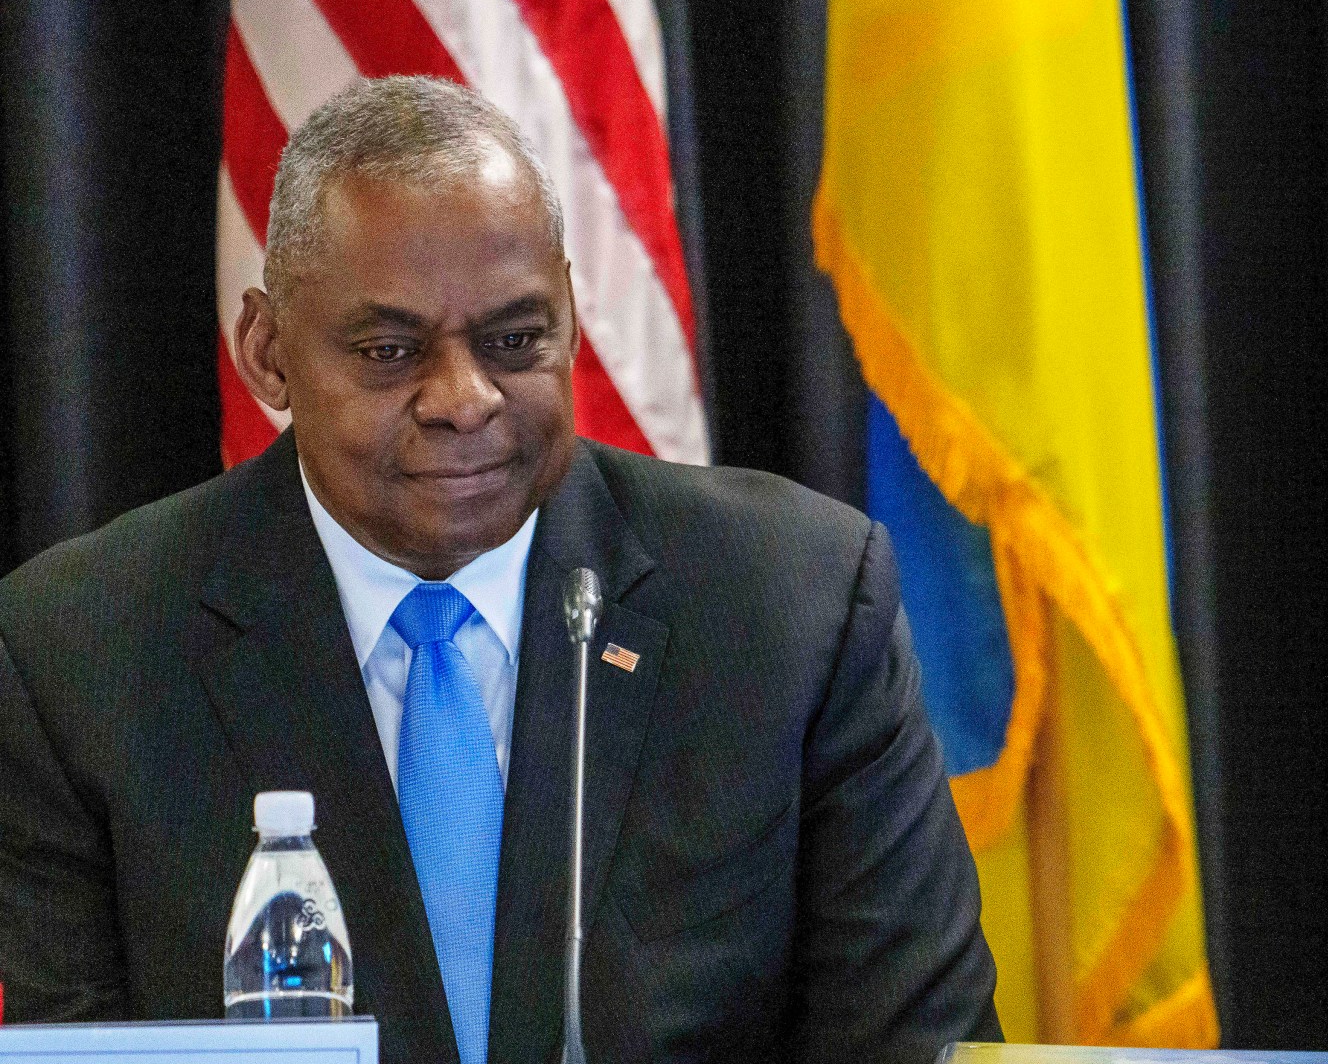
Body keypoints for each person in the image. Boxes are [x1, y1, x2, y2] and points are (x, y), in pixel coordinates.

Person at [0, 77, 1000, 1064]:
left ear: (569, 315)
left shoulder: (796, 606)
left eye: (516, 340)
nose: (466, 398)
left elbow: (921, 1043)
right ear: (267, 353)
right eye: (391, 351)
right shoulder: (83, 653)